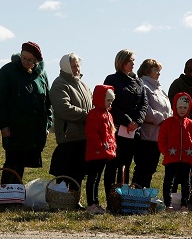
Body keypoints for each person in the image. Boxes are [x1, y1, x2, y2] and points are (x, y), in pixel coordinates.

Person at [0, 41, 51, 184]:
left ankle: (16, 193)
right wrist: (3, 124)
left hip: (33, 128)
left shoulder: (41, 75)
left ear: (36, 61)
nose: (25, 61)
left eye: (30, 60)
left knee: (23, 161)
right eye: (23, 57)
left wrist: (48, 124)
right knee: (12, 161)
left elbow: (47, 102)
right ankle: (5, 193)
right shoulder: (8, 71)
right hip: (14, 126)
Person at [103, 49, 148, 196]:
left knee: (126, 164)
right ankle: (111, 197)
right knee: (113, 164)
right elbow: (111, 105)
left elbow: (144, 104)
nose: (133, 63)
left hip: (134, 131)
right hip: (116, 129)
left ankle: (124, 195)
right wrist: (127, 121)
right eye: (130, 61)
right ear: (122, 62)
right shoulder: (112, 80)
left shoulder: (138, 81)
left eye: (134, 60)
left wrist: (137, 122)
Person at [49, 53, 93, 193]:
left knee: (78, 171)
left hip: (83, 136)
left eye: (78, 65)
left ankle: (74, 198)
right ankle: (60, 198)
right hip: (69, 137)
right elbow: (63, 108)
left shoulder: (84, 85)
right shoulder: (59, 83)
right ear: (66, 67)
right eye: (73, 66)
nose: (77, 69)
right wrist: (87, 116)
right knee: (64, 170)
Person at [158, 91, 192, 211]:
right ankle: (168, 204)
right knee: (169, 181)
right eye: (180, 107)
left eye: (185, 107)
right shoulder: (168, 123)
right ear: (175, 107)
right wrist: (165, 151)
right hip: (171, 157)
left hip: (187, 157)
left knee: (186, 182)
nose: (182, 110)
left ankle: (184, 204)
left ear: (189, 108)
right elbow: (162, 138)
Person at [133, 59, 170, 188]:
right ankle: (136, 196)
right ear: (147, 70)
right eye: (156, 70)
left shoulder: (160, 89)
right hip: (146, 135)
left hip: (158, 136)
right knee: (143, 167)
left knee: (151, 168)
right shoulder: (142, 85)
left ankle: (144, 196)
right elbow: (144, 109)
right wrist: (160, 118)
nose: (159, 73)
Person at [84, 84, 116, 215]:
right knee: (93, 178)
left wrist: (112, 147)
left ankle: (96, 202)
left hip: (104, 152)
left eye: (111, 101)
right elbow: (92, 133)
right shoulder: (94, 114)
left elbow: (111, 134)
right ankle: (91, 202)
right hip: (96, 152)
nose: (110, 103)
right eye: (108, 100)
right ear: (100, 99)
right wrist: (100, 146)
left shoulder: (108, 115)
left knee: (98, 177)